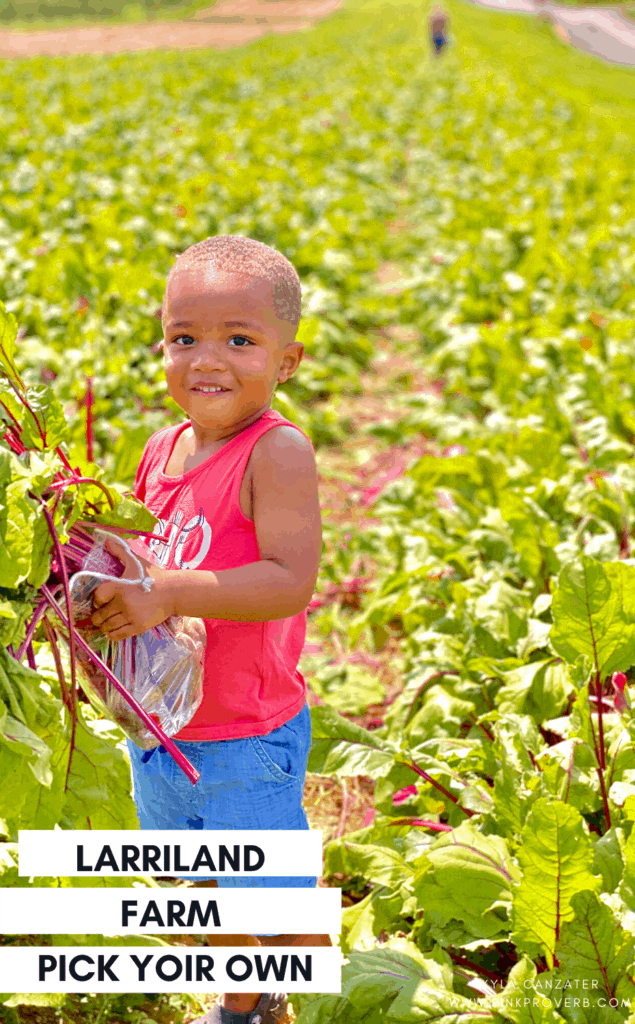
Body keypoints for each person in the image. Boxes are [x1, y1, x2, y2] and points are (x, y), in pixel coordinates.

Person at [90, 235, 331, 1024]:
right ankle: (258, 971)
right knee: (190, 879)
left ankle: (260, 997)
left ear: (286, 362)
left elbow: (289, 581)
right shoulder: (160, 452)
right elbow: (140, 566)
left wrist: (168, 593)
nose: (207, 359)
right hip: (160, 725)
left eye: (239, 339)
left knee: (254, 884)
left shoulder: (278, 453)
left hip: (243, 732)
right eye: (183, 338)